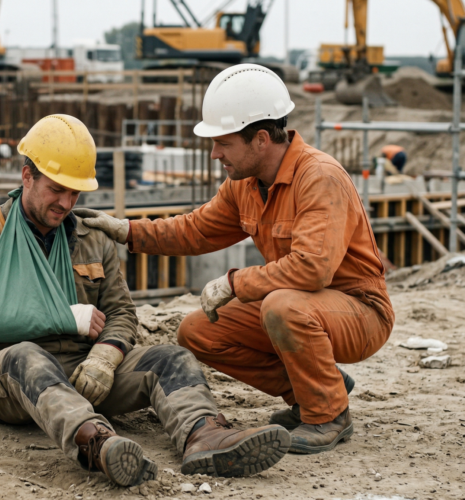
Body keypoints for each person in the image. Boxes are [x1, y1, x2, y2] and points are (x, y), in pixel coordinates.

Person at [0, 114, 290, 487]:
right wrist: (65, 318)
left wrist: (106, 355)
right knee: (26, 356)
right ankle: (97, 443)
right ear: (26, 176)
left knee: (170, 358)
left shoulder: (89, 236)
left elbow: (121, 312)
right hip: (6, 377)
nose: (66, 203)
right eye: (56, 189)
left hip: (82, 370)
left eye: (75, 193)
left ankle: (204, 436)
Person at [77, 64, 395, 455]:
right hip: (303, 308)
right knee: (198, 331)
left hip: (360, 313)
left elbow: (312, 268)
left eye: (223, 143)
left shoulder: (319, 177)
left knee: (281, 305)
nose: (214, 154)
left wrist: (233, 283)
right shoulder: (244, 184)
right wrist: (128, 230)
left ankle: (328, 414)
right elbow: (194, 230)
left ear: (260, 139)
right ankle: (314, 387)